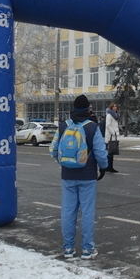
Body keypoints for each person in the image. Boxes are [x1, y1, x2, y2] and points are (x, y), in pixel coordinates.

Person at [51, 95, 108, 260]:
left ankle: (68, 248)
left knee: (68, 211)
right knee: (87, 212)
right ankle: (87, 249)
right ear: (87, 109)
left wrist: (64, 162)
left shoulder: (63, 126)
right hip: (88, 176)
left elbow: (53, 150)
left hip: (67, 175)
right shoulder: (92, 127)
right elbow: (100, 152)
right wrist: (103, 168)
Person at [104, 103, 120, 173]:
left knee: (112, 152)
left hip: (114, 137)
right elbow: (108, 125)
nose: (115, 108)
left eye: (115, 106)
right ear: (111, 108)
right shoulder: (109, 115)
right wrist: (113, 133)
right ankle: (108, 167)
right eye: (113, 107)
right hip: (110, 137)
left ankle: (110, 167)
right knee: (109, 153)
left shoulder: (115, 116)